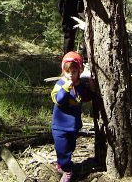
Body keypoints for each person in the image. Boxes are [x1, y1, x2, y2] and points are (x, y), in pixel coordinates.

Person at [51, 51, 95, 181]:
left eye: (74, 72)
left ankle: (63, 162)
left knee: (70, 148)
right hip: (59, 126)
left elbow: (86, 97)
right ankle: (67, 169)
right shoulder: (60, 84)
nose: (71, 75)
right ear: (63, 71)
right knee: (61, 148)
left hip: (73, 125)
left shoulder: (80, 85)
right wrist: (66, 88)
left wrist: (92, 88)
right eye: (68, 72)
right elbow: (59, 100)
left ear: (79, 72)